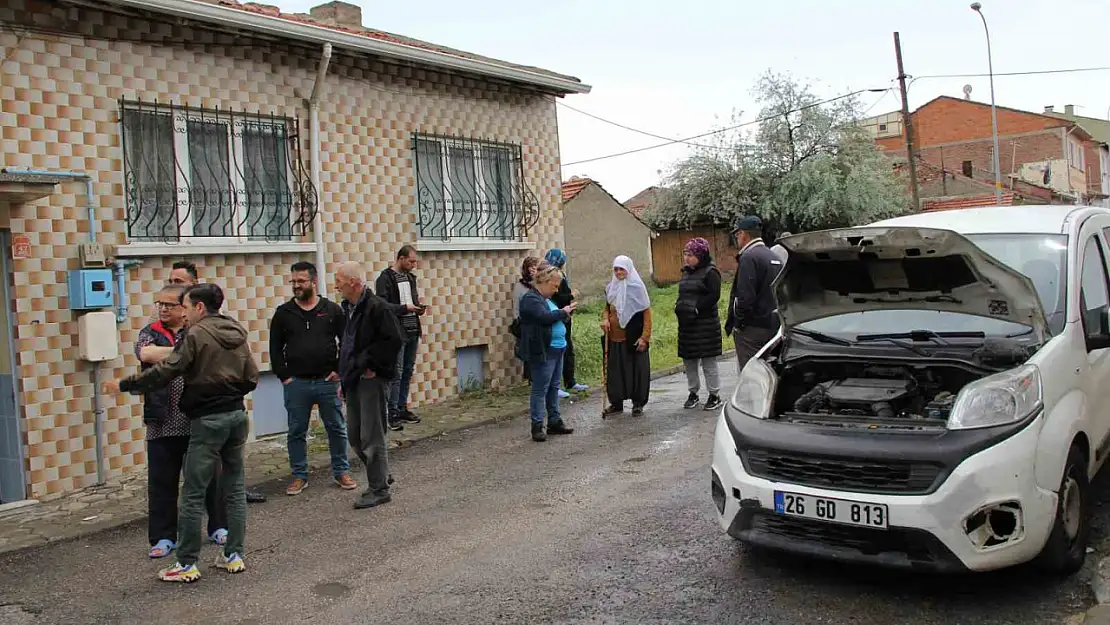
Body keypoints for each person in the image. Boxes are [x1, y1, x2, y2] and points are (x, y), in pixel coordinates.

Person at [105, 283, 259, 583]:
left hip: (208, 420)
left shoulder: (197, 334)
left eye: (186, 307)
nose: (184, 313)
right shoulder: (236, 332)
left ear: (200, 308)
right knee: (235, 488)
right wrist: (229, 394)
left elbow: (167, 370)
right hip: (237, 416)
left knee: (192, 492)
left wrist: (125, 385)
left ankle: (186, 563)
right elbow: (252, 376)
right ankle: (233, 555)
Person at [137, 285, 228, 559]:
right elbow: (146, 354)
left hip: (196, 418)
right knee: (162, 482)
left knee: (209, 477)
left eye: (170, 305)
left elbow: (208, 354)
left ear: (184, 307)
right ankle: (164, 536)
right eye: (159, 304)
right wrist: (184, 353)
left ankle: (218, 526)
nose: (163, 309)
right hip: (162, 420)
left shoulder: (197, 330)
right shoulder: (149, 332)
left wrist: (173, 353)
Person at [166, 260, 266, 503]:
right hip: (180, 406)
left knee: (219, 463)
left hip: (212, 406)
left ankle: (220, 513)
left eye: (178, 282)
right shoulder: (166, 315)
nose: (173, 286)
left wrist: (227, 393)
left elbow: (242, 368)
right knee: (193, 469)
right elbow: (148, 351)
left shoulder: (211, 323)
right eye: (171, 281)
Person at [269, 261, 357, 497]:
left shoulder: (331, 310)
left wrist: (340, 369)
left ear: (314, 282)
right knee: (296, 431)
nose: (296, 286)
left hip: (327, 382)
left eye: (301, 281)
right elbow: (275, 348)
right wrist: (284, 376)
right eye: (293, 281)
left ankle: (341, 471)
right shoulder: (283, 314)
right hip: (296, 383)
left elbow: (347, 341)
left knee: (336, 428)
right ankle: (299, 475)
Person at [335, 262, 404, 510]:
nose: (336, 285)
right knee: (354, 436)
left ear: (353, 282)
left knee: (371, 436)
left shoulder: (377, 308)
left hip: (371, 381)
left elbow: (395, 340)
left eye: (340, 280)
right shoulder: (349, 309)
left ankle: (379, 488)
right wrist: (344, 377)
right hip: (353, 378)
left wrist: (374, 366)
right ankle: (381, 473)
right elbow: (348, 345)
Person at [516, 263, 576, 442]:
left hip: (558, 349)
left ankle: (554, 421)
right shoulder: (530, 299)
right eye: (554, 286)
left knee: (553, 387)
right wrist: (563, 312)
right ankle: (536, 425)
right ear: (544, 281)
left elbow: (552, 317)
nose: (556, 290)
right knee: (540, 389)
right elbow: (544, 317)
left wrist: (564, 315)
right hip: (543, 349)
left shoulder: (545, 299)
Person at [375, 245, 426, 431]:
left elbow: (411, 301)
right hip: (396, 333)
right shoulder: (385, 278)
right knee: (395, 373)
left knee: (407, 370)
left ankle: (402, 407)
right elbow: (382, 306)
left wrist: (417, 307)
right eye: (411, 261)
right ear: (401, 258)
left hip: (412, 329)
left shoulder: (411, 278)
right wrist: (405, 308)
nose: (414, 265)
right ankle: (392, 412)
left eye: (415, 261)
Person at [725, 216, 783, 370]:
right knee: (769, 371)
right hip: (773, 324)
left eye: (737, 234)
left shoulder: (749, 258)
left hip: (752, 330)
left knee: (751, 373)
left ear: (743, 234)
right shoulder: (774, 256)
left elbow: (744, 296)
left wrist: (738, 322)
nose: (737, 238)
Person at [675, 238, 724, 411]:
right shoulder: (686, 273)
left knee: (708, 362)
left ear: (701, 255)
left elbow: (713, 295)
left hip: (705, 325)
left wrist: (696, 309)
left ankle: (714, 394)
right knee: (689, 362)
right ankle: (693, 393)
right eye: (685, 254)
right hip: (687, 326)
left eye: (691, 255)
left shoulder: (711, 272)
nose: (687, 258)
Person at [601, 256, 652, 416]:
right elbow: (607, 309)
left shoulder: (637, 288)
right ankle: (616, 403)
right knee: (616, 373)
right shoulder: (611, 288)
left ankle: (638, 403)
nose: (618, 272)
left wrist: (644, 337)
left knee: (636, 372)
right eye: (616, 269)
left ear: (628, 269)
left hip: (633, 338)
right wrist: (604, 320)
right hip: (614, 339)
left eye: (621, 269)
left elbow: (647, 314)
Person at [544, 249, 588, 399]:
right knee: (557, 352)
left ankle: (570, 381)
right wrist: (572, 295)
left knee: (568, 349)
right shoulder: (551, 277)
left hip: (565, 316)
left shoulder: (560, 275)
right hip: (556, 316)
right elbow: (557, 297)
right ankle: (555, 386)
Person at [512, 256, 540, 382]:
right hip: (526, 322)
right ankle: (530, 377)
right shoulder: (520, 286)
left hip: (539, 320)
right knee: (528, 350)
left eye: (536, 267)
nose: (534, 270)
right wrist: (518, 321)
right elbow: (516, 305)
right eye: (531, 267)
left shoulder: (539, 283)